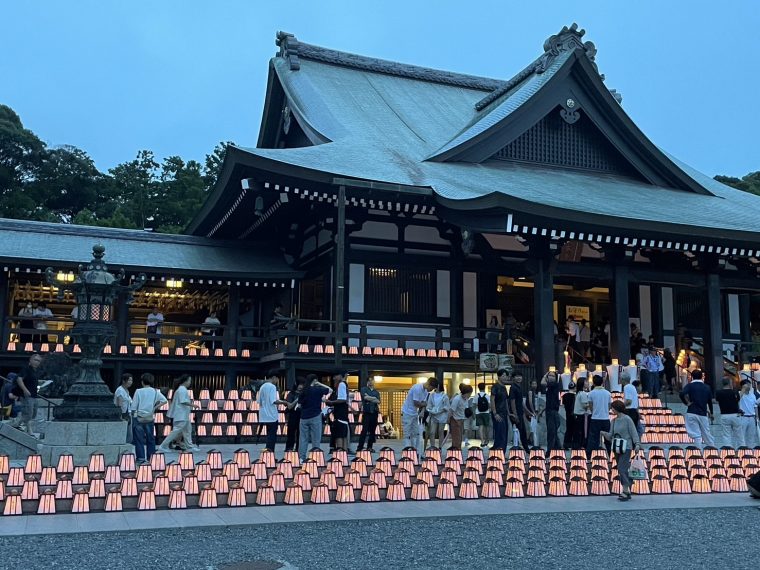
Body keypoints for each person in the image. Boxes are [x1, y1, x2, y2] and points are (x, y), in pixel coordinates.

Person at [601, 400, 641, 501]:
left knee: (621, 468)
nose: (611, 410)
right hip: (617, 448)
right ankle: (627, 488)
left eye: (613, 408)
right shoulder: (613, 421)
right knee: (622, 468)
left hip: (626, 447)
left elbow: (633, 432)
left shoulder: (627, 419)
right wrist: (603, 433)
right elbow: (611, 436)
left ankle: (625, 490)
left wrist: (637, 444)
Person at [131, 373, 168, 464]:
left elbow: (133, 407)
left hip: (139, 417)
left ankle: (140, 458)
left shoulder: (138, 391)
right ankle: (150, 457)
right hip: (150, 417)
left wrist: (132, 416)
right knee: (150, 438)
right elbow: (164, 400)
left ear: (142, 382)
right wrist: (155, 407)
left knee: (139, 439)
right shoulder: (155, 392)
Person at [159, 374, 200, 452]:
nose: (190, 383)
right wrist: (193, 405)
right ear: (185, 381)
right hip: (181, 414)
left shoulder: (181, 389)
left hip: (183, 414)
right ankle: (163, 445)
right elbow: (183, 401)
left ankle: (189, 446)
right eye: (189, 381)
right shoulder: (182, 390)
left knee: (187, 430)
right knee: (176, 431)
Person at [298, 374, 332, 462]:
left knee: (303, 438)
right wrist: (320, 384)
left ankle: (302, 457)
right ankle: (315, 456)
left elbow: (299, 405)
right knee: (316, 438)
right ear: (315, 380)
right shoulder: (318, 389)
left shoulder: (303, 391)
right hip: (315, 416)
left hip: (304, 417)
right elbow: (330, 390)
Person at [679, 369, 715, 448]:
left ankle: (699, 453)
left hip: (691, 411)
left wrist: (687, 403)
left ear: (692, 377)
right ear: (701, 377)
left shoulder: (690, 386)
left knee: (696, 435)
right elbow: (710, 402)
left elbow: (682, 393)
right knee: (707, 434)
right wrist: (711, 413)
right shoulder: (707, 387)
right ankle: (713, 452)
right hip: (703, 413)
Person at [257, 369, 289, 452]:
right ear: (274, 377)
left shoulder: (262, 386)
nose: (277, 381)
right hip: (272, 415)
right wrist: (284, 402)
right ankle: (270, 452)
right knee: (272, 436)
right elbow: (274, 401)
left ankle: (268, 451)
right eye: (277, 379)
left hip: (263, 415)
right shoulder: (272, 387)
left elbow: (259, 401)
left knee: (269, 434)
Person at [402, 377, 435, 455]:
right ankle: (408, 452)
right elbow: (416, 403)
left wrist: (422, 411)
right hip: (407, 412)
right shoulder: (417, 388)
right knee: (407, 434)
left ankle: (415, 452)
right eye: (432, 388)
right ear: (428, 384)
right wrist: (425, 404)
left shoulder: (426, 391)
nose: (431, 390)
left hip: (415, 413)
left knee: (416, 433)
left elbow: (423, 403)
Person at [14, 353, 43, 435]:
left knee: (33, 413)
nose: (37, 362)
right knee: (28, 413)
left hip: (34, 395)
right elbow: (19, 379)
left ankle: (19, 424)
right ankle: (26, 429)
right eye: (36, 360)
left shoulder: (35, 371)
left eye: (39, 361)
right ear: (31, 360)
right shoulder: (26, 369)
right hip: (27, 396)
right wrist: (25, 390)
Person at [326, 371, 350, 452]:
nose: (334, 378)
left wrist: (331, 402)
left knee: (340, 434)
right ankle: (344, 451)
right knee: (343, 434)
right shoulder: (343, 385)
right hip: (343, 412)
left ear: (340, 376)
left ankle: (340, 451)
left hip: (340, 413)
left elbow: (342, 399)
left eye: (335, 376)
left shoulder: (341, 384)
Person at [586, 375, 612, 453]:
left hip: (595, 419)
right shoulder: (608, 393)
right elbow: (609, 406)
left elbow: (591, 407)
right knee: (608, 439)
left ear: (593, 383)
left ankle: (591, 456)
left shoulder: (591, 393)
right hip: (605, 418)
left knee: (593, 439)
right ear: (602, 383)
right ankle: (610, 455)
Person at [715, 377, 742, 447]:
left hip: (724, 414)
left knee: (726, 434)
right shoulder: (735, 392)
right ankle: (741, 449)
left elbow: (717, 401)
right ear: (730, 383)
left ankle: (728, 450)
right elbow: (738, 401)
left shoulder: (718, 393)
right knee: (739, 434)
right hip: (735, 414)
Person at [357, 377, 381, 452]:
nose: (371, 382)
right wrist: (373, 398)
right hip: (367, 412)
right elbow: (365, 397)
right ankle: (360, 447)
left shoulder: (376, 392)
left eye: (372, 381)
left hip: (374, 412)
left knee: (372, 431)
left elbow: (378, 401)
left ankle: (369, 447)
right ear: (367, 382)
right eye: (369, 381)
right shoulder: (364, 389)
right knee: (364, 430)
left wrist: (370, 398)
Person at [426, 379, 449, 448]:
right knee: (432, 432)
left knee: (440, 432)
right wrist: (430, 410)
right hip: (433, 415)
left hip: (442, 415)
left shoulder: (444, 396)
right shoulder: (431, 395)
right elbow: (429, 405)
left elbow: (447, 406)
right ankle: (432, 446)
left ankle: (440, 447)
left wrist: (439, 411)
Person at [448, 384, 473, 449]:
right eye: (469, 393)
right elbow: (451, 410)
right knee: (456, 438)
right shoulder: (457, 399)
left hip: (461, 420)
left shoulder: (466, 399)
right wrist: (448, 421)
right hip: (455, 420)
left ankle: (457, 451)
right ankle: (456, 451)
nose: (470, 395)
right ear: (466, 393)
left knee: (459, 438)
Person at [508, 373, 530, 449]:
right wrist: (515, 414)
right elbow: (512, 401)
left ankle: (523, 447)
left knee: (522, 430)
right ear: (513, 378)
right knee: (520, 430)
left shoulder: (519, 387)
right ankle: (522, 448)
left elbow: (521, 402)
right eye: (517, 376)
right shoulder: (513, 388)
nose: (519, 378)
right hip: (516, 413)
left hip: (520, 412)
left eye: (520, 376)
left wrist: (528, 412)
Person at [541, 371, 561, 450]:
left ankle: (550, 450)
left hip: (552, 412)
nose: (551, 377)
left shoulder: (554, 384)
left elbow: (542, 382)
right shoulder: (550, 387)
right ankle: (557, 448)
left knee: (551, 433)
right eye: (550, 375)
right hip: (549, 411)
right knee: (553, 432)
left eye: (553, 376)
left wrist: (545, 375)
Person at [491, 370, 510, 450]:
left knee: (505, 433)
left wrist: (508, 412)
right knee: (500, 433)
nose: (505, 377)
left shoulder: (504, 387)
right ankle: (498, 452)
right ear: (499, 376)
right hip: (498, 413)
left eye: (506, 376)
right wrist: (495, 413)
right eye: (503, 375)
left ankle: (502, 452)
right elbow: (492, 400)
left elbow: (506, 400)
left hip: (504, 413)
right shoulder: (495, 386)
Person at [284, 380, 305, 452]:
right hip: (293, 414)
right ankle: (289, 447)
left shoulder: (305, 393)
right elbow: (289, 406)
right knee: (291, 432)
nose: (300, 387)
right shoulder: (291, 394)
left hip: (302, 415)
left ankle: (298, 448)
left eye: (302, 385)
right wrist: (297, 400)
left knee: (300, 433)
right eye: (299, 385)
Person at [738, 380, 760, 448]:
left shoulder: (752, 395)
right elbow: (738, 398)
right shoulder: (740, 393)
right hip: (743, 417)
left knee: (751, 436)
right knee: (742, 435)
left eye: (749, 385)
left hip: (752, 417)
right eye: (747, 384)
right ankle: (742, 449)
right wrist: (743, 389)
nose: (749, 386)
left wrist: (757, 417)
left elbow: (755, 406)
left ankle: (750, 450)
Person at [114, 373, 134, 444]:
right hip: (123, 414)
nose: (130, 382)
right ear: (123, 381)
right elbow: (120, 404)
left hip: (128, 413)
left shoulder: (126, 390)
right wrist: (120, 416)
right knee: (126, 434)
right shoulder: (120, 390)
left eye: (131, 380)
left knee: (129, 434)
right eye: (129, 380)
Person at [572, 378, 590, 449]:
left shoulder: (579, 393)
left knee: (577, 432)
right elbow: (584, 405)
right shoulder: (582, 393)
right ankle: (580, 446)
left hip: (577, 415)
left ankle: (577, 446)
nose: (588, 383)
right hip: (580, 415)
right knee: (580, 432)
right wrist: (592, 404)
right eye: (586, 382)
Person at [474, 382, 491, 447]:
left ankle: (482, 441)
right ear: (485, 387)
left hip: (478, 413)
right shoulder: (487, 395)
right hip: (486, 413)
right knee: (487, 426)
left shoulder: (476, 395)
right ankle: (487, 440)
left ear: (478, 388)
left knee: (480, 427)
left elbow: (475, 405)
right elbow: (489, 405)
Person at [561, 383, 576, 449]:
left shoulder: (564, 395)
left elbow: (564, 405)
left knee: (568, 430)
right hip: (574, 415)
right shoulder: (575, 396)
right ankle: (573, 444)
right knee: (574, 430)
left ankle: (566, 444)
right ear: (574, 388)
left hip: (568, 414)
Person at [525, 379, 539, 446]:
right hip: (530, 412)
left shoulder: (534, 392)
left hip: (532, 411)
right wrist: (532, 411)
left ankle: (530, 440)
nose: (534, 385)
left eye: (535, 384)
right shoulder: (530, 392)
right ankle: (529, 440)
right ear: (530, 385)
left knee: (533, 426)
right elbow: (530, 402)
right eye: (533, 384)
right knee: (531, 427)